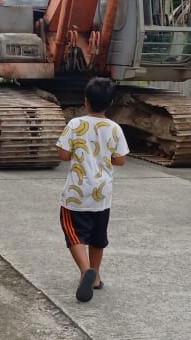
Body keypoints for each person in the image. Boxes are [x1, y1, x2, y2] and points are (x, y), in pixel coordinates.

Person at [56, 77, 128, 303]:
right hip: (102, 193)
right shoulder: (114, 128)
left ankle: (85, 270)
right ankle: (95, 276)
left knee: (73, 233)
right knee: (98, 238)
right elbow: (120, 159)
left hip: (76, 193)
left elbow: (63, 154)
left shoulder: (75, 125)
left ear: (85, 101)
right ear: (110, 102)